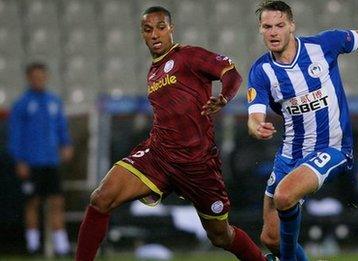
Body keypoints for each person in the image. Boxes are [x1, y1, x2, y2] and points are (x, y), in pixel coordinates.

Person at [75, 6, 266, 261]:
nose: (155, 34)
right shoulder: (153, 72)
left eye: (161, 27)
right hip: (159, 155)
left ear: (171, 29)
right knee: (100, 198)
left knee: (220, 235)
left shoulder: (189, 56)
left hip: (198, 164)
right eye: (148, 29)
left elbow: (231, 74)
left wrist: (223, 97)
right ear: (142, 34)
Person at [247, 1, 358, 260]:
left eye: (279, 25)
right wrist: (256, 126)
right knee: (270, 238)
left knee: (285, 196)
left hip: (333, 148)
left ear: (292, 26)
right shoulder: (261, 71)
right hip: (290, 153)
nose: (273, 32)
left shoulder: (322, 46)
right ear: (260, 30)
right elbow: (254, 114)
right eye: (267, 27)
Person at [8, 62, 73, 256]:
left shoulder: (54, 101)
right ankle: (33, 245)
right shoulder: (22, 104)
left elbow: (61, 126)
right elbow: (15, 135)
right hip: (31, 162)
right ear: (29, 78)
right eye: (35, 77)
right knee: (32, 203)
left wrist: (66, 144)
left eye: (42, 76)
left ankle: (61, 246)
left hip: (51, 162)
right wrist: (19, 160)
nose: (39, 80)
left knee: (57, 202)